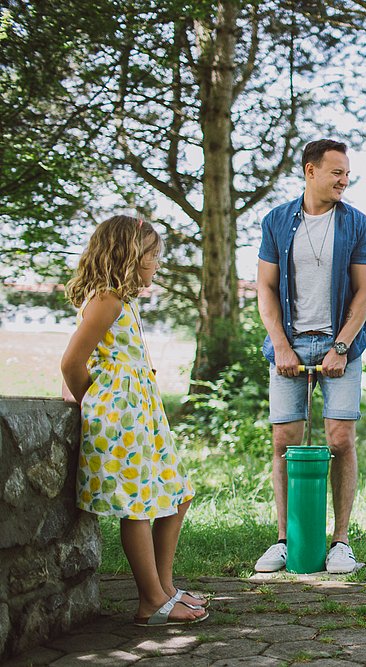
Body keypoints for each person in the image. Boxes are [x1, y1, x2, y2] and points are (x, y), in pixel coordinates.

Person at [61, 215, 208, 626]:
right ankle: (150, 601)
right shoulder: (106, 299)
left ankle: (164, 588)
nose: (157, 264)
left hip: (142, 413)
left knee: (178, 494)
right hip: (120, 414)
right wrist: (100, 401)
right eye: (152, 256)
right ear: (128, 255)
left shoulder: (123, 299)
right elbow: (71, 363)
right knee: (138, 507)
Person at [254, 139, 366, 574]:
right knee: (284, 443)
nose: (344, 180)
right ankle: (287, 539)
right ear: (310, 171)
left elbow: (364, 292)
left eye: (347, 173)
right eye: (336, 172)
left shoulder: (358, 224)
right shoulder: (276, 221)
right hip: (289, 342)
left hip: (340, 345)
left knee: (340, 439)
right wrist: (282, 347)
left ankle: (340, 543)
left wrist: (341, 346)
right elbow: (264, 289)